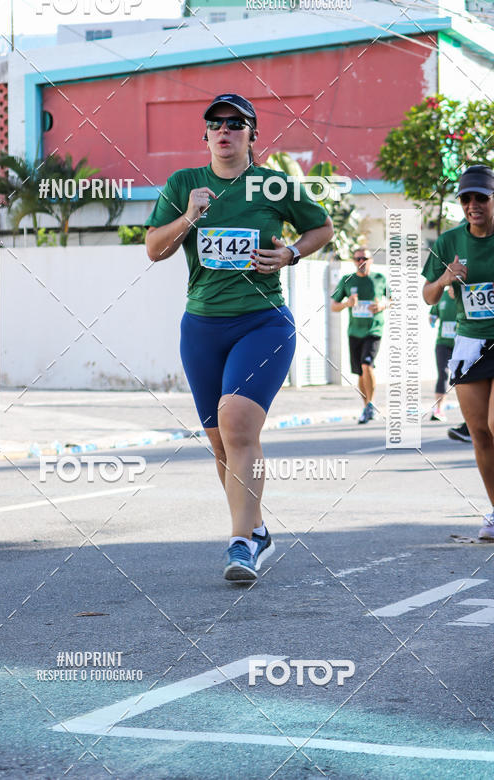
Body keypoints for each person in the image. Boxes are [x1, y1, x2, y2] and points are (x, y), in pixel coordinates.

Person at [145, 93, 333, 581]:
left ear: (252, 135)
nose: (224, 130)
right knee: (222, 445)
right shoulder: (183, 184)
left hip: (262, 322)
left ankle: (240, 545)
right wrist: (188, 216)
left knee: (237, 423)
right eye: (215, 123)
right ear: (205, 134)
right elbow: (154, 250)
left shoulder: (274, 185)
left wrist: (290, 253)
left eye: (235, 123)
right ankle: (257, 529)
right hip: (201, 328)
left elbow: (322, 227)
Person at [422, 164, 494, 540]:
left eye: (481, 197)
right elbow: (428, 296)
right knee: (480, 433)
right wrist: (444, 278)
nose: (473, 205)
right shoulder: (449, 241)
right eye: (466, 198)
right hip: (470, 344)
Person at [330, 247, 390, 423]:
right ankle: (366, 407)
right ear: (353, 262)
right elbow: (334, 306)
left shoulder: (380, 279)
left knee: (367, 365)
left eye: (364, 258)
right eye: (357, 259)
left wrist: (382, 306)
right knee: (360, 373)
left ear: (371, 260)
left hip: (374, 330)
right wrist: (346, 304)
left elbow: (392, 299)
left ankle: (370, 404)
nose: (361, 262)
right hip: (355, 332)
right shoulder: (347, 280)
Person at [428, 285, 457, 420]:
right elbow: (433, 314)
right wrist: (432, 319)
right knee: (443, 373)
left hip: (462, 344)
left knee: (464, 377)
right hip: (443, 343)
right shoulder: (441, 296)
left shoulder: (464, 294)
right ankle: (439, 410)